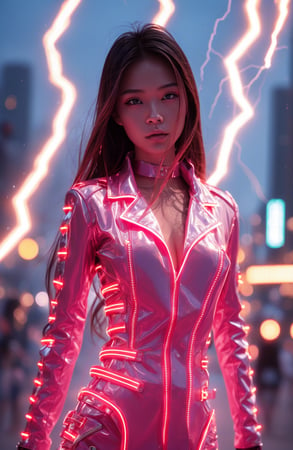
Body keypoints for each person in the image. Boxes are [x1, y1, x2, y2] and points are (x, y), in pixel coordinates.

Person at [18, 24, 262, 450]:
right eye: (135, 101)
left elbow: (230, 330)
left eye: (168, 95)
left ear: (188, 98)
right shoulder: (92, 204)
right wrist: (33, 440)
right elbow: (65, 330)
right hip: (108, 429)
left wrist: (250, 438)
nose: (155, 114)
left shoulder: (222, 212)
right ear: (116, 112)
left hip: (196, 433)